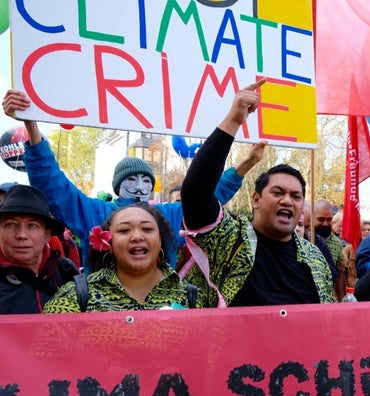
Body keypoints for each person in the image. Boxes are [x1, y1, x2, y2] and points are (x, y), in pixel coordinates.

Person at [3, 89, 248, 270]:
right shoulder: (94, 212)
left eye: (146, 181)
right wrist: (31, 127)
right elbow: (54, 187)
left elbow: (204, 198)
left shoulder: (171, 215)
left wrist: (242, 167)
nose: (140, 187)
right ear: (117, 186)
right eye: (132, 180)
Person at [180, 79, 335, 307]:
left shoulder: (314, 259)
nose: (287, 200)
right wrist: (233, 121)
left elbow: (328, 319)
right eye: (278, 192)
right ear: (256, 200)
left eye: (296, 196)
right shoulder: (230, 240)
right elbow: (195, 194)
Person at [44, 203, 200, 312]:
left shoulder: (191, 296)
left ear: (160, 241)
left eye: (147, 229)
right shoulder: (77, 295)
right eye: (124, 230)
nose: (137, 236)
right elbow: (45, 353)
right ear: (109, 244)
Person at [0, 185, 78, 314]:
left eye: (32, 225)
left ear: (47, 235)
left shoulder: (65, 272)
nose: (21, 235)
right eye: (10, 224)